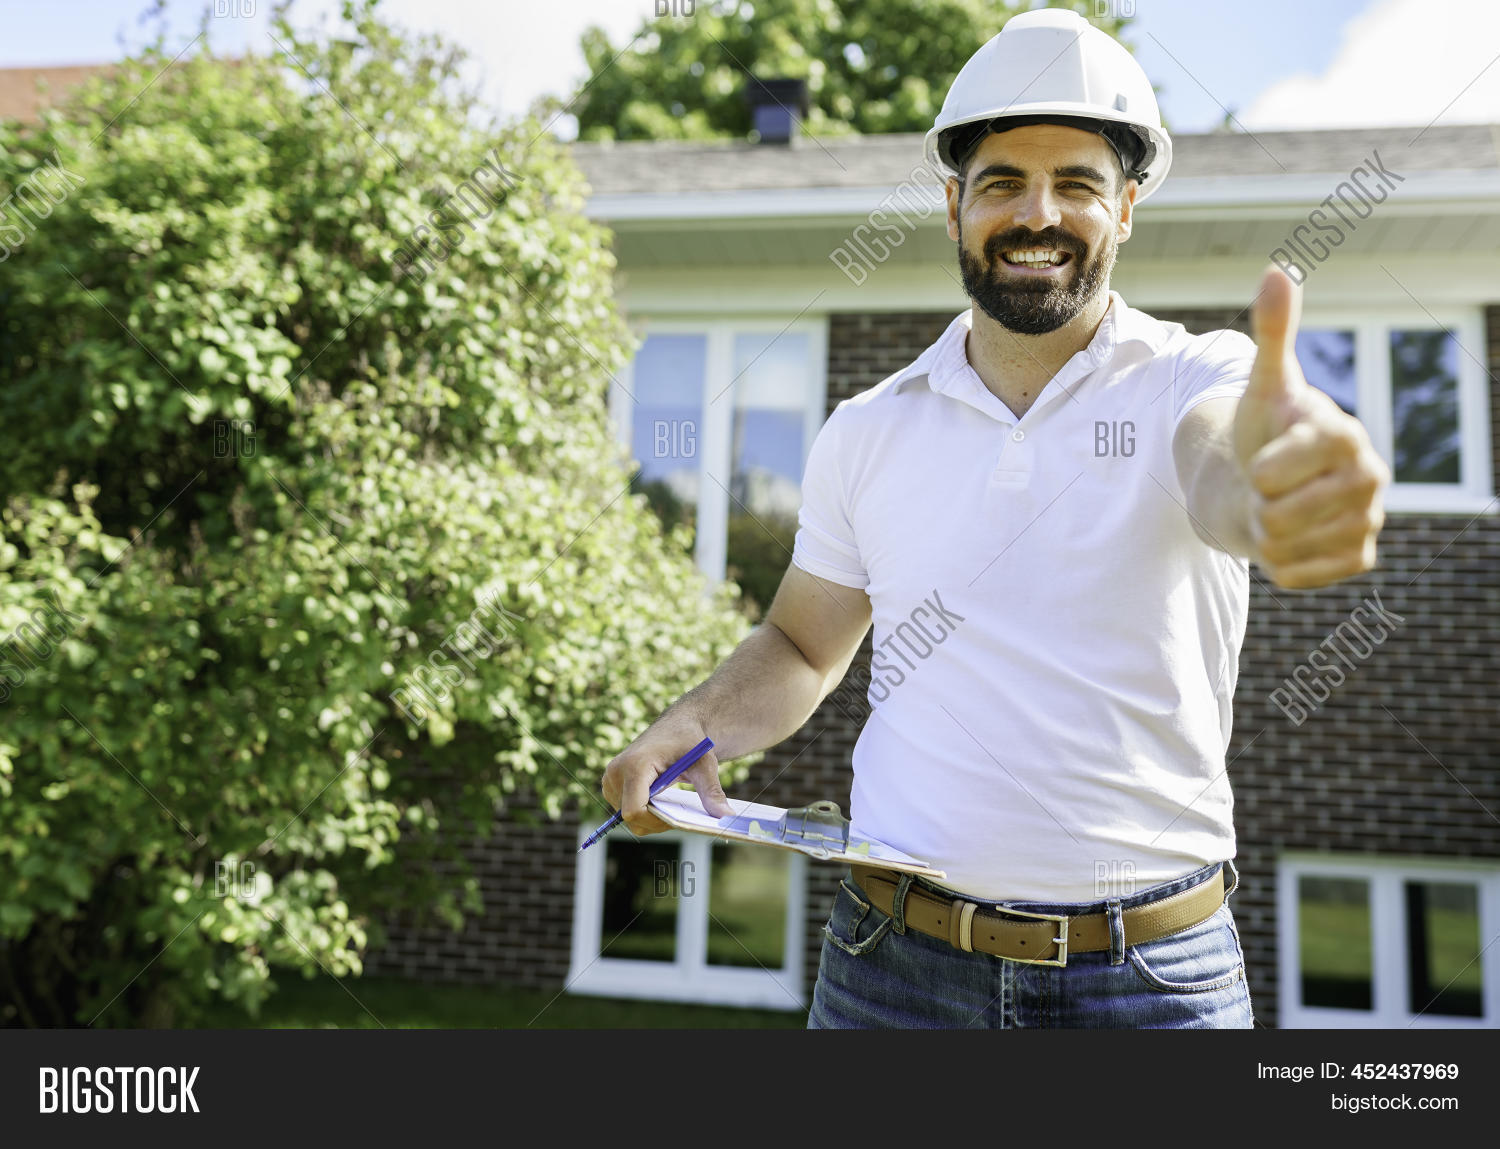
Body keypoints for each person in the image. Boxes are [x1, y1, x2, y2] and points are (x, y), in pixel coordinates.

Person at [600, 9, 1388, 1028]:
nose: (1038, 215)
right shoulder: (868, 428)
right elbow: (802, 644)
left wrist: (1276, 484)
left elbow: (1223, 461)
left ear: (1128, 208)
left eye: (1078, 184)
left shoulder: (1193, 379)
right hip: (892, 971)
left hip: (1149, 987)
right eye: (1004, 181)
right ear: (952, 205)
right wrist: (697, 724)